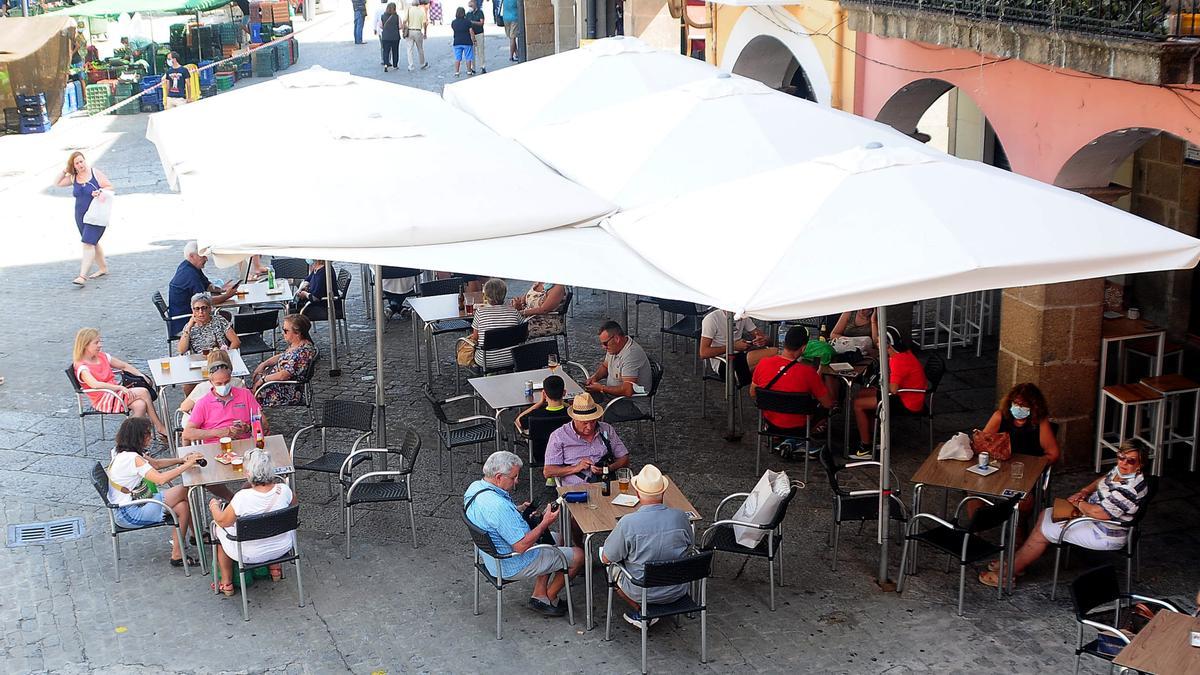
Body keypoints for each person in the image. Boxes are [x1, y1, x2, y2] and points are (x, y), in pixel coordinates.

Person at [979, 443, 1148, 588]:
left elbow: (1100, 513)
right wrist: (1084, 491)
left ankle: (1007, 575)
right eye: (1121, 457)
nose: (1123, 463)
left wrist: (1079, 503)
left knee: (1042, 532)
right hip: (1092, 518)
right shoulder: (1123, 472)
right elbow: (1104, 479)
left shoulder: (1129, 489)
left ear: (1140, 465)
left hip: (1103, 532)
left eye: (1130, 461)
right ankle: (1016, 563)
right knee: (1047, 513)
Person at [464, 451, 583, 617]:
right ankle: (550, 596)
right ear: (498, 477)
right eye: (514, 477)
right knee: (579, 556)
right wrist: (544, 523)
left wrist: (518, 510)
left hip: (489, 555)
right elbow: (521, 546)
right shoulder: (498, 507)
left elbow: (494, 519)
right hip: (509, 563)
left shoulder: (476, 488)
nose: (517, 481)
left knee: (557, 538)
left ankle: (540, 593)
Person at [600, 464, 693, 626]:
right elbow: (690, 546)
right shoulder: (680, 516)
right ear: (663, 491)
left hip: (641, 590)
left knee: (608, 565)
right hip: (678, 589)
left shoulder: (628, 523)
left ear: (637, 493)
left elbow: (607, 558)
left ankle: (642, 612)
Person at [106, 417, 204, 567]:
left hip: (131, 505)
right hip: (130, 512)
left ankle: (178, 554)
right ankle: (197, 535)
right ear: (138, 437)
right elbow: (160, 479)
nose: (151, 437)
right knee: (185, 489)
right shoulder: (132, 458)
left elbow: (156, 464)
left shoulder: (121, 451)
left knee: (183, 507)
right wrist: (188, 465)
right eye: (147, 434)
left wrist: (181, 460)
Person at [209, 449, 298, 596]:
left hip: (248, 554)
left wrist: (214, 506)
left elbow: (222, 521)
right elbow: (293, 506)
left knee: (217, 529)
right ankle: (275, 569)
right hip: (283, 547)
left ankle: (226, 583)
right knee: (273, 522)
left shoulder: (242, 498)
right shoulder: (284, 490)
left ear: (248, 474)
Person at [73, 328, 167, 439]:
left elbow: (124, 366)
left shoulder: (102, 356)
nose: (100, 345)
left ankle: (127, 440)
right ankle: (160, 427)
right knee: (144, 392)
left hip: (114, 393)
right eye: (96, 342)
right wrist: (119, 387)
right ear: (85, 345)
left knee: (140, 405)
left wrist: (140, 375)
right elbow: (95, 384)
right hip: (103, 398)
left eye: (100, 341)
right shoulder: (82, 366)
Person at [851, 326, 927, 459]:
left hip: (907, 401)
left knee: (858, 404)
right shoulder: (903, 353)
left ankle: (866, 447)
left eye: (879, 344)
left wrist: (880, 382)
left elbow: (893, 389)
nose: (878, 346)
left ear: (887, 345)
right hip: (910, 394)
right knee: (863, 393)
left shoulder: (898, 361)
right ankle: (873, 435)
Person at [749, 325, 834, 437]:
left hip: (771, 423)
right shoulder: (808, 373)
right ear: (803, 348)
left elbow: (752, 393)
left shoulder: (763, 363)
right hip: (800, 427)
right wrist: (820, 373)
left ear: (785, 343)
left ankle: (779, 438)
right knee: (826, 410)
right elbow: (828, 403)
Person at [543, 394, 631, 486]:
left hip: (606, 485)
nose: (589, 427)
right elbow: (548, 472)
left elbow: (624, 458)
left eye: (593, 421)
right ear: (574, 418)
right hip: (576, 490)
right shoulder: (559, 436)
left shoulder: (606, 429)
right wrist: (576, 468)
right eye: (584, 423)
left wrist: (608, 468)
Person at [183, 354, 267, 444]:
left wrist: (248, 428)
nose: (224, 386)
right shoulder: (203, 403)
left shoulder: (245, 394)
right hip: (216, 446)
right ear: (211, 382)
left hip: (243, 442)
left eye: (227, 382)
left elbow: (263, 423)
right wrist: (217, 432)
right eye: (219, 383)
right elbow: (187, 433)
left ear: (231, 378)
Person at [56, 151, 111, 286]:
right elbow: (57, 183)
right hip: (80, 216)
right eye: (77, 163)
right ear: (73, 166)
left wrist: (100, 192)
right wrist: (65, 170)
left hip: (95, 214)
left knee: (88, 243)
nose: (81, 164)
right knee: (92, 242)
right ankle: (103, 268)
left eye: (82, 161)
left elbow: (109, 186)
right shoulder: (74, 178)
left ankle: (82, 276)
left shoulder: (94, 173)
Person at [168, 241, 238, 335]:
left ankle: (224, 344)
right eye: (203, 256)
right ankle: (225, 345)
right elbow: (205, 302)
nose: (206, 259)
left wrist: (220, 288)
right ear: (192, 256)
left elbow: (207, 285)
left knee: (224, 316)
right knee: (224, 318)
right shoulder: (190, 274)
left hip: (190, 314)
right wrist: (227, 295)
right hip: (185, 321)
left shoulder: (189, 266)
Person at [982, 383, 1060, 464]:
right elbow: (982, 442)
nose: (1018, 407)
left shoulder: (1041, 422)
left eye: (1023, 405)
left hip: (1029, 465)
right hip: (1001, 463)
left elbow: (1053, 454)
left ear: (1034, 407)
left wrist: (1034, 465)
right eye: (1015, 403)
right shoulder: (1000, 416)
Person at [252, 314, 319, 407]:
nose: (283, 333)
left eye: (286, 331)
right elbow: (283, 356)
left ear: (297, 333)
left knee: (244, 397)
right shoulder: (297, 344)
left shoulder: (302, 352)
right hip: (277, 384)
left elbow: (284, 375)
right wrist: (264, 364)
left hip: (285, 391)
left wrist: (263, 380)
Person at [699, 308, 774, 386]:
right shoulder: (712, 319)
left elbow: (767, 339)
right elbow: (703, 353)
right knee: (774, 354)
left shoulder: (742, 314)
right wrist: (732, 346)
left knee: (772, 364)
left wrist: (763, 340)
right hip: (724, 362)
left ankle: (763, 392)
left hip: (741, 356)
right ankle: (761, 391)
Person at [584, 321, 652, 400]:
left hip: (629, 403)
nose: (603, 347)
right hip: (612, 396)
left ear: (616, 339)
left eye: (605, 343)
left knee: (588, 408)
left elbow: (628, 390)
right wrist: (594, 378)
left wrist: (601, 388)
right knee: (580, 400)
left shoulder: (631, 354)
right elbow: (605, 367)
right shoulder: (614, 347)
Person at [466, 278, 524, 370]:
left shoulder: (480, 312)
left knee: (465, 343)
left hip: (486, 360)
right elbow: (521, 330)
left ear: (486, 295)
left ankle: (476, 368)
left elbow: (475, 338)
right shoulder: (514, 311)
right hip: (513, 357)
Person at [404, 0, 430, 71]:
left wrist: (404, 29)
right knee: (420, 49)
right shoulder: (421, 11)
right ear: (418, 4)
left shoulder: (409, 10)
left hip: (409, 31)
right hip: (418, 31)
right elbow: (425, 23)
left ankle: (411, 66)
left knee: (409, 49)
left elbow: (404, 20)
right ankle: (422, 64)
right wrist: (425, 33)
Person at [450, 7, 475, 77]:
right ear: (464, 13)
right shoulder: (467, 22)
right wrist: (474, 40)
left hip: (457, 42)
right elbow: (471, 32)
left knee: (457, 58)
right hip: (467, 42)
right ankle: (469, 71)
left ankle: (457, 72)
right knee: (468, 57)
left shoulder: (453, 22)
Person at [378, 2, 402, 71]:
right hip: (395, 37)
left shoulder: (383, 16)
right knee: (395, 51)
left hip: (386, 37)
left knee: (386, 51)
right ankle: (395, 65)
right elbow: (400, 26)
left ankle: (386, 64)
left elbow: (380, 25)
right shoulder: (397, 16)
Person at [467, 0, 486, 73]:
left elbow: (481, 23)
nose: (470, 7)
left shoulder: (480, 12)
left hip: (479, 33)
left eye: (471, 5)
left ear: (475, 4)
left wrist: (473, 22)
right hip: (471, 34)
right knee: (472, 51)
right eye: (469, 6)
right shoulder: (468, 14)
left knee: (480, 51)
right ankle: (473, 67)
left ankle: (482, 66)